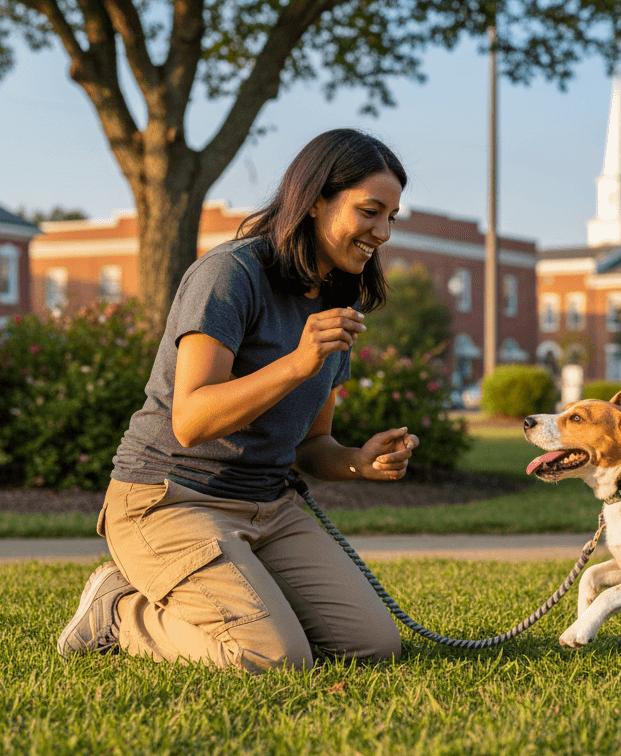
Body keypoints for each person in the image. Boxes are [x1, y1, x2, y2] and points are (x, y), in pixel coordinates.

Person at [57, 129, 419, 672]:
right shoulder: (232, 274)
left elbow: (312, 443)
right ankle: (118, 611)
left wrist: (356, 462)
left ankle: (241, 590)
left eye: (391, 217)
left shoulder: (338, 297)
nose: (382, 233)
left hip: (268, 508)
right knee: (272, 655)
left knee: (372, 645)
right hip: (168, 499)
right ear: (317, 199)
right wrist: (299, 361)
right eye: (370, 212)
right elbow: (193, 419)